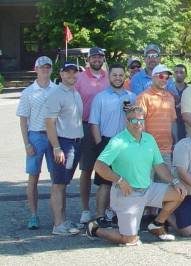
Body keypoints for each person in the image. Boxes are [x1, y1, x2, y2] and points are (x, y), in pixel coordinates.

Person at [86, 105, 186, 245]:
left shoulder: (149, 139)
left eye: (141, 120)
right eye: (134, 121)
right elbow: (99, 166)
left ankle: (157, 224)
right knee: (130, 240)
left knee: (179, 193)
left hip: (148, 189)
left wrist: (175, 181)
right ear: (127, 122)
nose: (138, 124)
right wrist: (119, 180)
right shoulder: (117, 141)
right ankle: (95, 229)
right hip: (127, 193)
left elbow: (159, 165)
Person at [88, 64, 137, 227]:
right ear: (109, 77)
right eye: (114, 75)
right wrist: (99, 145)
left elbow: (137, 121)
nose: (118, 78)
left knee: (124, 180)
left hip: (126, 142)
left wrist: (130, 111)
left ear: (125, 77)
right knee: (104, 182)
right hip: (107, 142)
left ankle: (118, 214)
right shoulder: (100, 97)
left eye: (120, 75)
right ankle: (100, 216)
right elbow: (93, 123)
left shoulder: (132, 97)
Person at [44, 62, 84, 235]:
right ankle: (58, 225)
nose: (71, 75)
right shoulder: (56, 94)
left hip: (75, 142)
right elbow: (49, 123)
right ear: (61, 73)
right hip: (63, 143)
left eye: (74, 72)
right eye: (67, 72)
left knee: (64, 183)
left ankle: (63, 220)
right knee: (58, 184)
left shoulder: (75, 92)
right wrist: (56, 147)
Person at [17, 56, 55, 230]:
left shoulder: (57, 90)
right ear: (36, 69)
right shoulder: (28, 92)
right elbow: (23, 120)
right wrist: (26, 143)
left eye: (48, 67)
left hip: (54, 136)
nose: (45, 69)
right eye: (42, 67)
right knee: (33, 177)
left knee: (56, 178)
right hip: (36, 136)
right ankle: (33, 215)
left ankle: (58, 215)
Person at [75, 47, 110, 224]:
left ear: (103, 59)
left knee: (108, 169)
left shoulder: (108, 77)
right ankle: (85, 209)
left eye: (100, 57)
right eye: (93, 57)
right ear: (88, 60)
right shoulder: (79, 78)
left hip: (107, 128)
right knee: (87, 169)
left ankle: (107, 208)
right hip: (87, 126)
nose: (97, 59)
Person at [135, 64, 177, 176]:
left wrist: (175, 142)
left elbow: (173, 122)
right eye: (161, 76)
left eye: (167, 77)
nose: (164, 79)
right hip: (148, 150)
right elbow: (139, 123)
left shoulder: (170, 97)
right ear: (153, 77)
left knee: (165, 187)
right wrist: (142, 146)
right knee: (147, 187)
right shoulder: (143, 97)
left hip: (166, 150)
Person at [172, 64, 189, 141]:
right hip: (171, 126)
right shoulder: (168, 90)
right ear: (173, 74)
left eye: (181, 72)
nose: (178, 74)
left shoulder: (190, 91)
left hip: (186, 126)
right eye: (176, 72)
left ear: (186, 74)